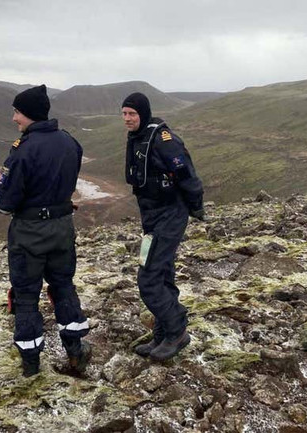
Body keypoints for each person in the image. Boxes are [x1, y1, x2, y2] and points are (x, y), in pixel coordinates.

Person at [0, 84, 91, 377]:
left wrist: (3, 204)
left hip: (29, 234)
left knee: (26, 296)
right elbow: (68, 183)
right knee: (63, 286)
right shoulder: (70, 143)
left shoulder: (23, 151)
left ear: (30, 114)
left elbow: (7, 201)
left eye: (18, 112)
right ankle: (75, 351)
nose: (14, 119)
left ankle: (31, 365)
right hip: (62, 229)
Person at [121, 92, 205, 361]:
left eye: (132, 114)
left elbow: (185, 173)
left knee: (149, 278)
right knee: (163, 273)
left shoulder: (162, 140)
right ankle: (162, 334)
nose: (127, 119)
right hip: (153, 217)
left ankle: (177, 330)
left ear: (143, 114)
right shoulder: (137, 138)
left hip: (170, 214)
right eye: (124, 114)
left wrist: (195, 205)